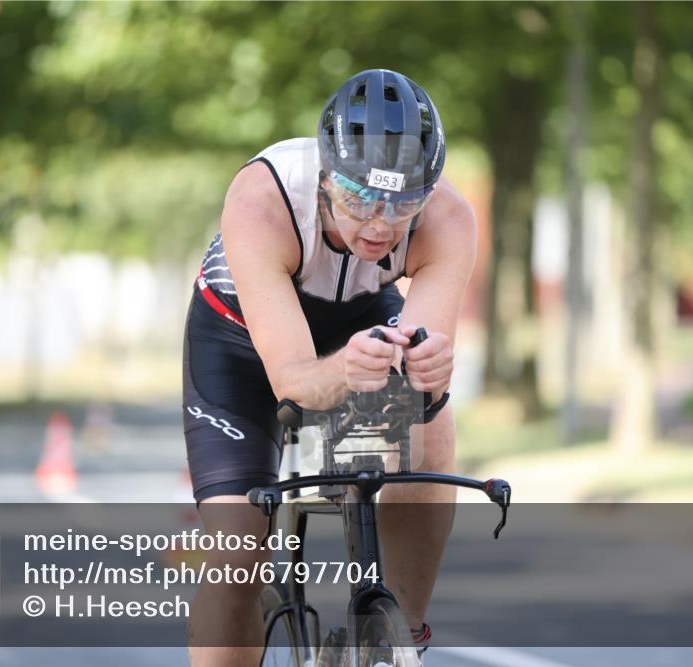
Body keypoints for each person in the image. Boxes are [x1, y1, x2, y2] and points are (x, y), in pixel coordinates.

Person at [182, 68, 476, 666]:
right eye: (359, 197)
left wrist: (429, 368)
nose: (379, 224)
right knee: (237, 553)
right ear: (324, 176)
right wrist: (346, 371)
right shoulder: (262, 200)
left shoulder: (448, 219)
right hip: (240, 340)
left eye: (403, 204)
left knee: (433, 429)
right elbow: (292, 377)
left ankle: (403, 639)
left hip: (361, 317)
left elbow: (423, 374)